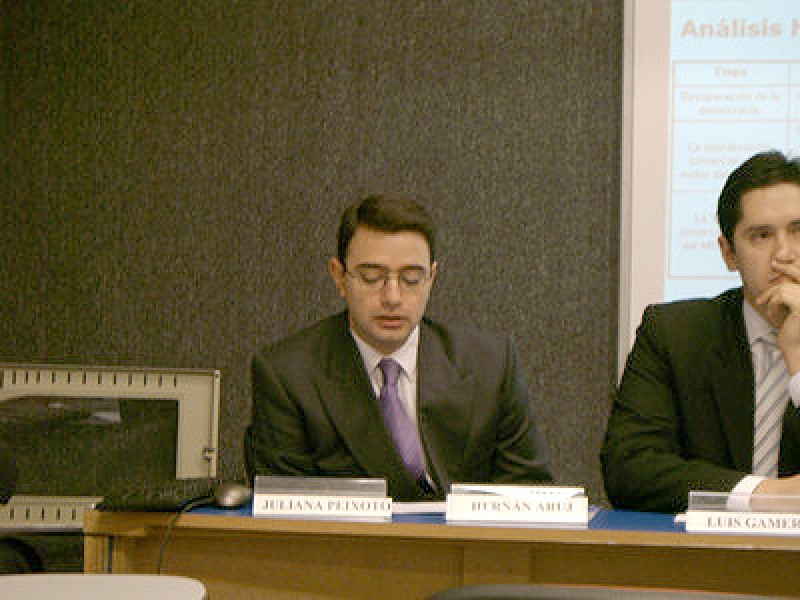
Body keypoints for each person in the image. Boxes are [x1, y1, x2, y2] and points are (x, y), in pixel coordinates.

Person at [245, 193, 552, 501]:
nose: (392, 297)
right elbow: (285, 511)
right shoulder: (288, 375)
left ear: (431, 278)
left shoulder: (491, 364)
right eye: (371, 277)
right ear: (339, 277)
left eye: (411, 279)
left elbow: (528, 495)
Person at [602, 150, 800, 513]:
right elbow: (629, 467)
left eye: (798, 230)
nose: (784, 254)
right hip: (703, 548)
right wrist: (763, 495)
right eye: (761, 236)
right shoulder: (675, 335)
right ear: (729, 253)